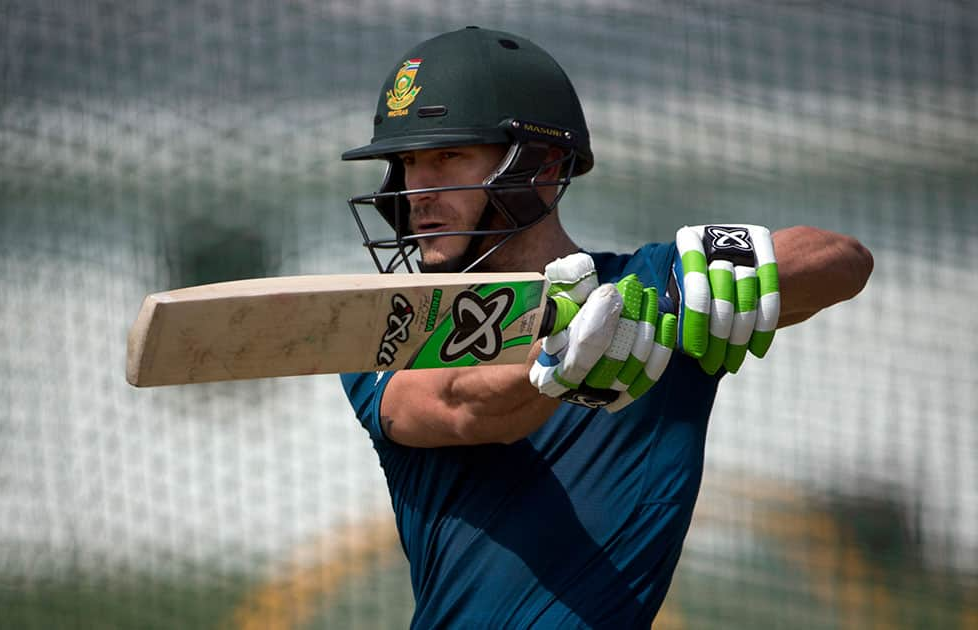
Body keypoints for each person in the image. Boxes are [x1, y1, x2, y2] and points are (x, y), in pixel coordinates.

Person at [339, 27, 873, 628]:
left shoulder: (644, 291)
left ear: (541, 166)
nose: (419, 191)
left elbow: (843, 261)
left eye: (448, 157)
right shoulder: (389, 320)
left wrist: (694, 283)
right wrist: (562, 355)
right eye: (410, 162)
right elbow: (463, 407)